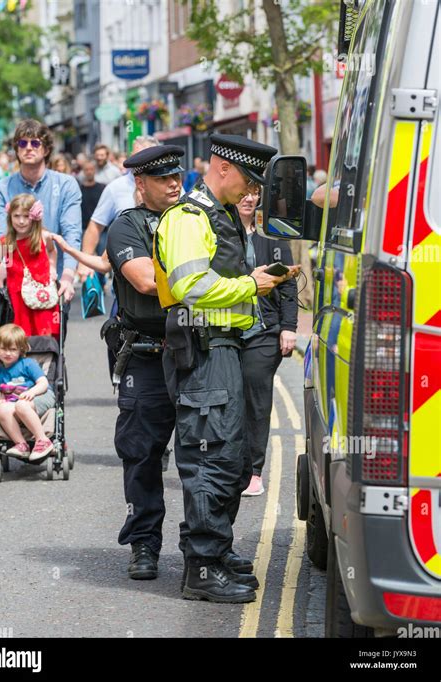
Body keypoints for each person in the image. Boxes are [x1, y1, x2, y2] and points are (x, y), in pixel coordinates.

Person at [155, 133, 298, 603]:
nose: (250, 190)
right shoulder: (188, 217)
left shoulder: (220, 216)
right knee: (209, 458)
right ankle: (201, 566)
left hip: (225, 348)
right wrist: (248, 284)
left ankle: (215, 552)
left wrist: (258, 285)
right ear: (223, 168)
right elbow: (190, 284)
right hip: (204, 350)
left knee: (232, 458)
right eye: (247, 179)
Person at [105, 145, 186, 581]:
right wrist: (205, 280)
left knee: (204, 454)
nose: (174, 184)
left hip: (193, 350)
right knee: (142, 454)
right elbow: (145, 281)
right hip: (148, 354)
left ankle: (203, 549)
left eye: (177, 176)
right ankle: (144, 544)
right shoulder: (127, 227)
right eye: (163, 178)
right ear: (141, 184)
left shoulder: (195, 220)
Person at [237, 191, 299, 497]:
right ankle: (231, 467)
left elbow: (288, 285)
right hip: (230, 330)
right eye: (244, 192)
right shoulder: (220, 236)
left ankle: (254, 472)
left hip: (264, 332)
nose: (249, 198)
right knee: (230, 399)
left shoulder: (273, 240)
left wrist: (288, 327)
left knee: (256, 396)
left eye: (255, 193)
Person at [0, 119, 82, 304]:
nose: (28, 148)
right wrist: (1, 269)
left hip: (53, 280)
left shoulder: (66, 185)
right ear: (16, 149)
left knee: (50, 334)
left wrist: (68, 276)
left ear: (46, 150)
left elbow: (72, 233)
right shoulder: (1, 188)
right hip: (13, 281)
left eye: (35, 143)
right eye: (22, 143)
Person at [78, 136, 160, 282]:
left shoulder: (169, 186)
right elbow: (95, 226)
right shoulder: (115, 188)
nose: (140, 161)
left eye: (146, 155)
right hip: (127, 279)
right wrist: (86, 262)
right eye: (135, 156)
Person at [0, 195, 60, 339]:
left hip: (42, 297)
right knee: (21, 339)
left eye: (26, 216)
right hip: (18, 300)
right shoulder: (6, 242)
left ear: (34, 217)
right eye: (16, 216)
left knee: (45, 338)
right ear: (10, 217)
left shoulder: (44, 236)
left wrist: (52, 268)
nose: (21, 221)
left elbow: (52, 251)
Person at [0, 323, 56, 461]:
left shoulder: (27, 364)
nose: (8, 353)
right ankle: (21, 444)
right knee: (2, 409)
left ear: (21, 350)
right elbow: (4, 390)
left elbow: (43, 383)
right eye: (3, 349)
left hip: (41, 396)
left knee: (21, 405)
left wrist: (32, 392)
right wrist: (1, 401)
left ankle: (42, 440)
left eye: (13, 349)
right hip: (18, 403)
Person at [79, 159, 105, 235]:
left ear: (95, 171)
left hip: (101, 230)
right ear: (83, 172)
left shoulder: (102, 188)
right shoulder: (79, 190)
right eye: (86, 170)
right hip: (84, 229)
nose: (89, 172)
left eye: (91, 169)